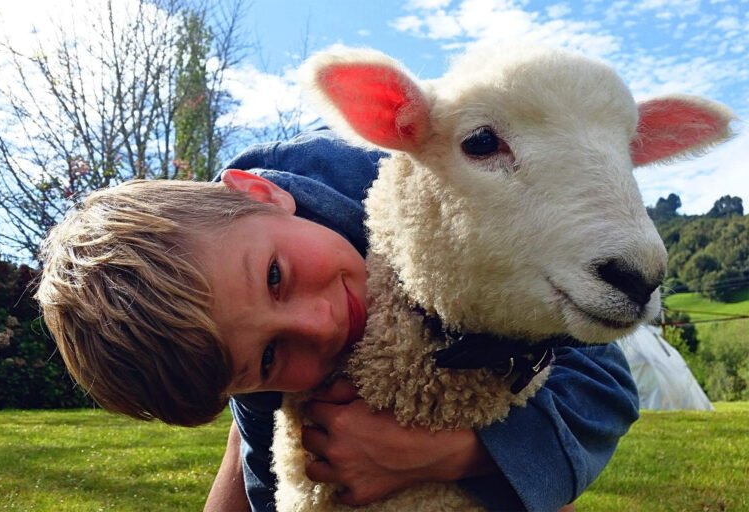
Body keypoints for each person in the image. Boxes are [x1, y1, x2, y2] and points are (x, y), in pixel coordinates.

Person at [36, 129, 639, 512]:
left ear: (260, 195)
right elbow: (271, 469)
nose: (322, 324)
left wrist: (450, 454)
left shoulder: (412, 185)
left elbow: (602, 383)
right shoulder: (244, 317)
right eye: (271, 356)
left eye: (277, 276)